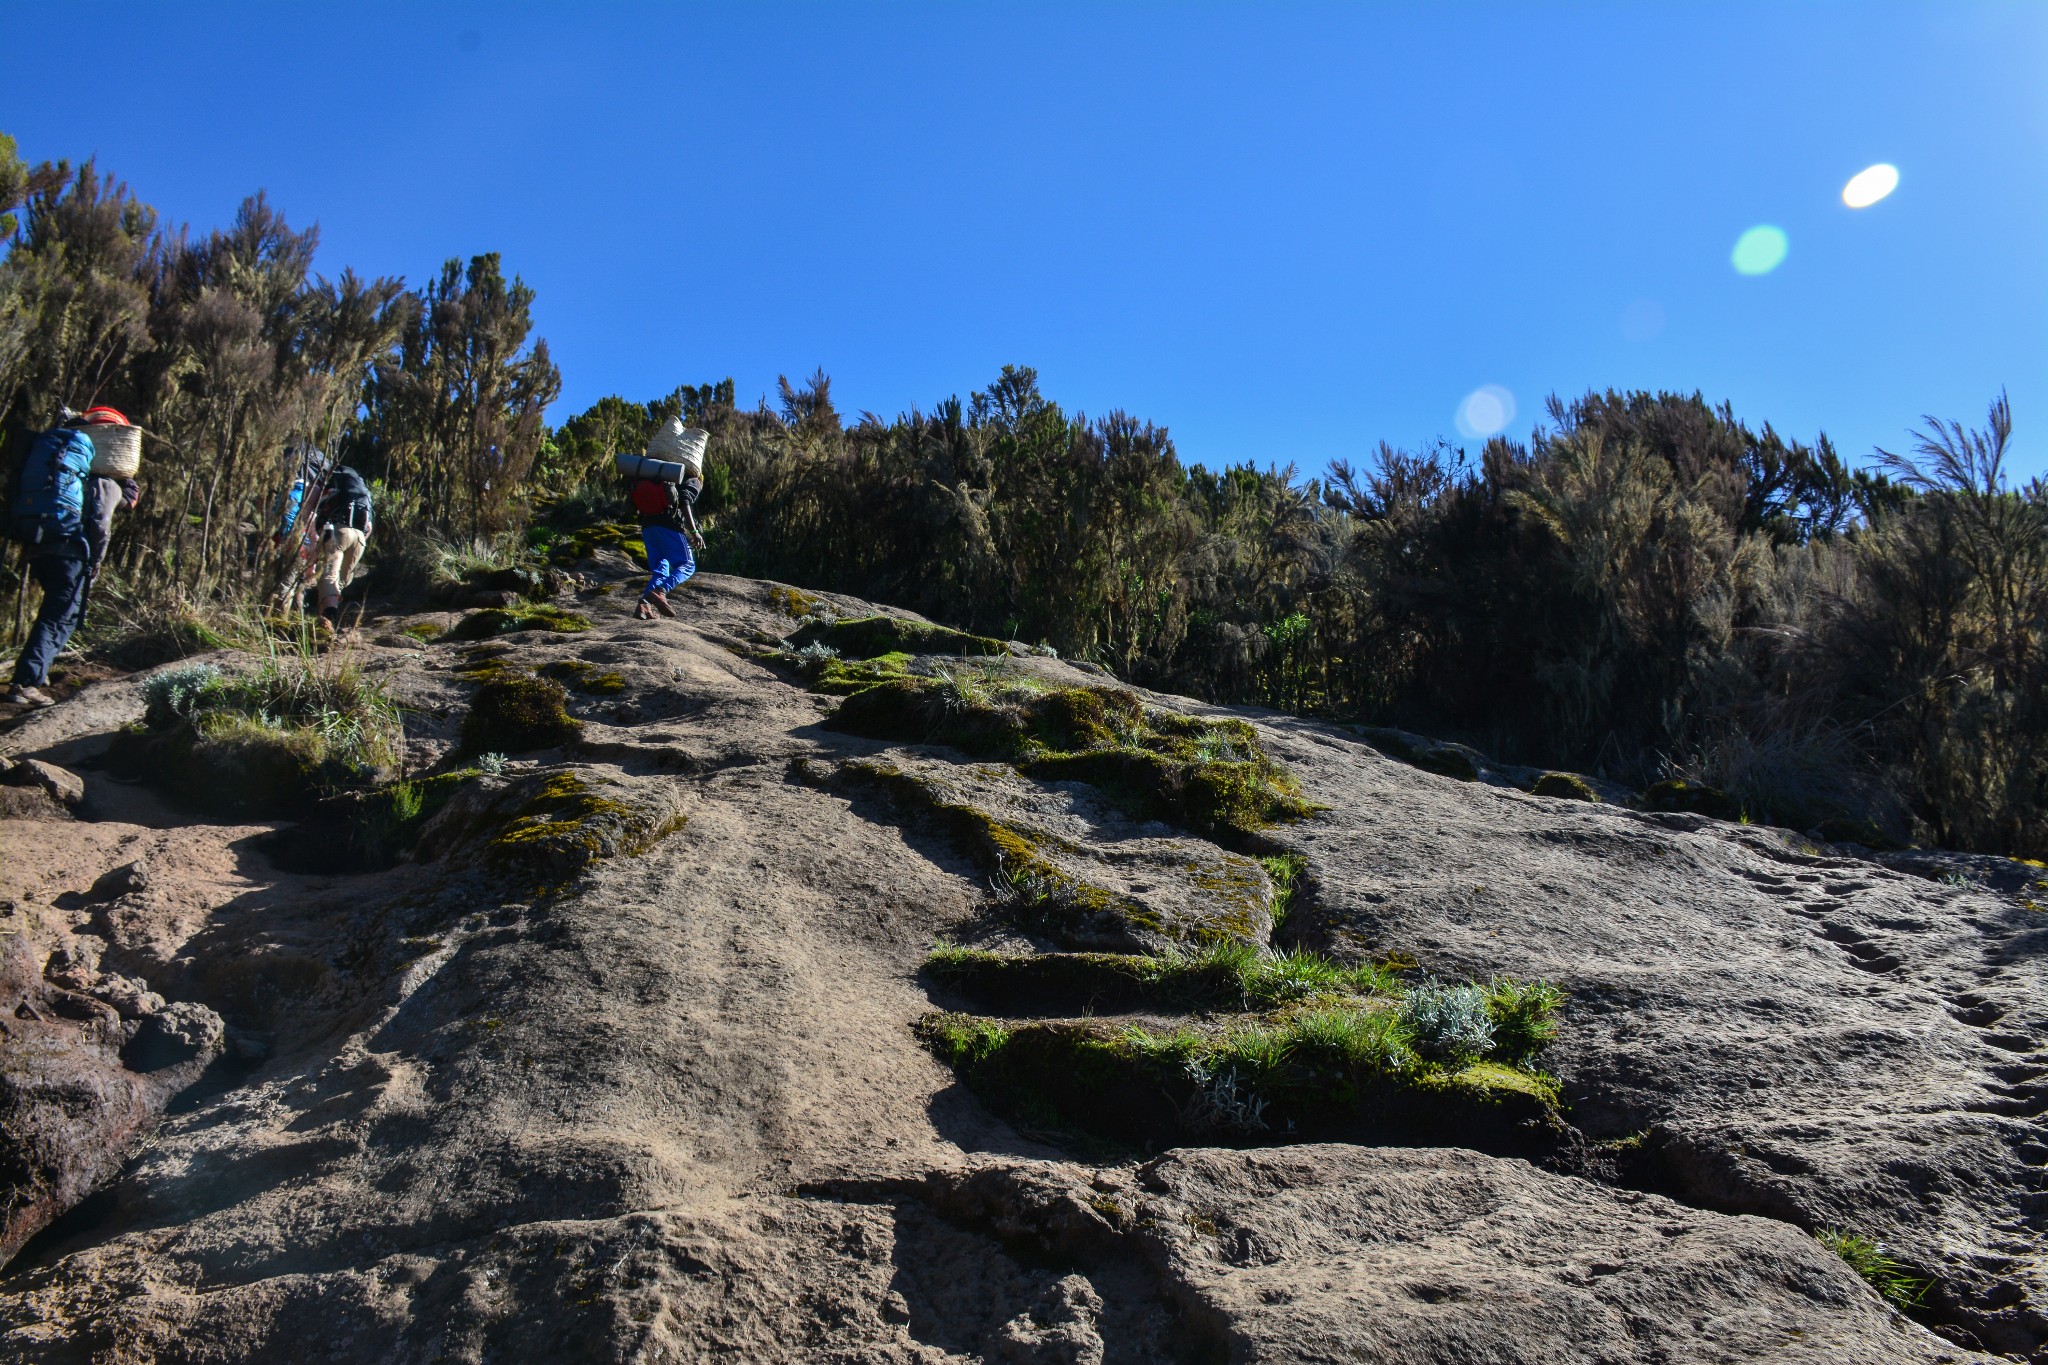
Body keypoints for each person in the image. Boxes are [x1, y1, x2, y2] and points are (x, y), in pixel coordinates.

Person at [7, 409, 140, 707]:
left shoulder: (66, 470)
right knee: (57, 618)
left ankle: (33, 675)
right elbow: (100, 525)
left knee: (55, 615)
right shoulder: (104, 483)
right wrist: (95, 562)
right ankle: (25, 682)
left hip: (40, 544)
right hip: (71, 554)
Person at [631, 463, 704, 620]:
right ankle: (661, 591)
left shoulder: (659, 474)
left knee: (661, 569)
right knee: (687, 565)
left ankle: (643, 606)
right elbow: (684, 499)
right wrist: (694, 531)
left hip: (648, 526)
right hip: (669, 525)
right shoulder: (693, 479)